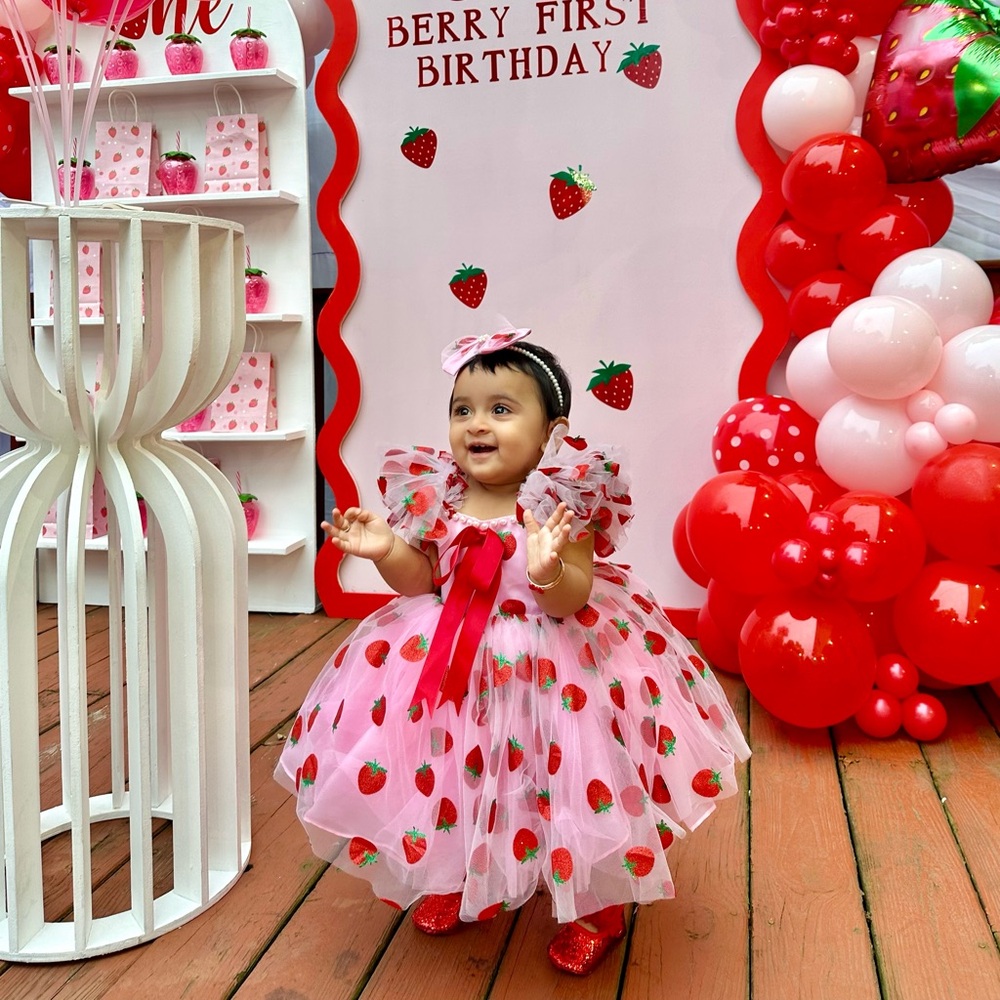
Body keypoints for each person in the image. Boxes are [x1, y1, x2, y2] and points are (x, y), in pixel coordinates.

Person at [275, 324, 750, 975]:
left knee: (563, 782)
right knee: (449, 769)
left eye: (501, 409)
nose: (477, 425)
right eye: (463, 410)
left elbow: (572, 596)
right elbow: (428, 579)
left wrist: (552, 567)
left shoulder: (560, 499)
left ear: (552, 430)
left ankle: (594, 903)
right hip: (453, 664)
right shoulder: (439, 494)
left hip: (552, 667)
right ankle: (458, 870)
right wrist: (388, 551)